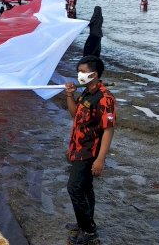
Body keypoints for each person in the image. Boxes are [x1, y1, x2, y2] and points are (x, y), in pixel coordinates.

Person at [63, 55, 116, 244]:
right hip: (77, 148)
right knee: (85, 188)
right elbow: (74, 114)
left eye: (84, 72)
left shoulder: (105, 98)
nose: (80, 75)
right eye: (79, 71)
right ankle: (83, 222)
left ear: (95, 73)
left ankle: (89, 230)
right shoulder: (86, 92)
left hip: (90, 152)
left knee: (74, 188)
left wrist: (100, 159)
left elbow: (108, 130)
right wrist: (69, 95)